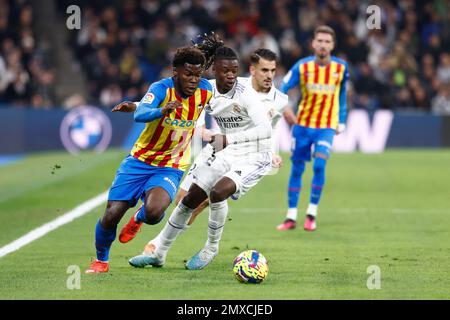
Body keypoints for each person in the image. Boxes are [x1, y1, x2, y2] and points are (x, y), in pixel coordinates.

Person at [127, 38, 278, 270]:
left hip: (255, 156)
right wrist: (138, 106)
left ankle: (211, 248)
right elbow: (169, 101)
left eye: (234, 71)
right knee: (189, 199)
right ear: (214, 70)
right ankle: (159, 252)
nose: (230, 75)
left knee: (218, 192)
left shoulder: (245, 93)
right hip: (226, 150)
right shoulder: (205, 89)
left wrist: (228, 138)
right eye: (225, 70)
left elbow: (265, 129)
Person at [85, 46, 213, 273]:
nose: (194, 80)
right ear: (175, 72)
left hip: (171, 164)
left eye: (197, 75)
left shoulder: (206, 91)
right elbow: (140, 114)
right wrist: (161, 110)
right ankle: (101, 261)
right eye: (188, 75)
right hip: (139, 161)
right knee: (112, 214)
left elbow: (230, 94)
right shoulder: (161, 88)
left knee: (154, 214)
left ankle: (139, 217)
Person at [276, 25, 349, 232]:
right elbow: (282, 87)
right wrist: (286, 108)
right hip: (302, 126)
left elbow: (342, 96)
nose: (323, 45)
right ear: (313, 43)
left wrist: (341, 119)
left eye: (327, 42)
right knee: (297, 168)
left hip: (326, 126)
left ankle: (311, 213)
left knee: (319, 165)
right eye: (320, 41)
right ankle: (291, 216)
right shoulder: (302, 66)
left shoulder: (342, 68)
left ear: (332, 45)